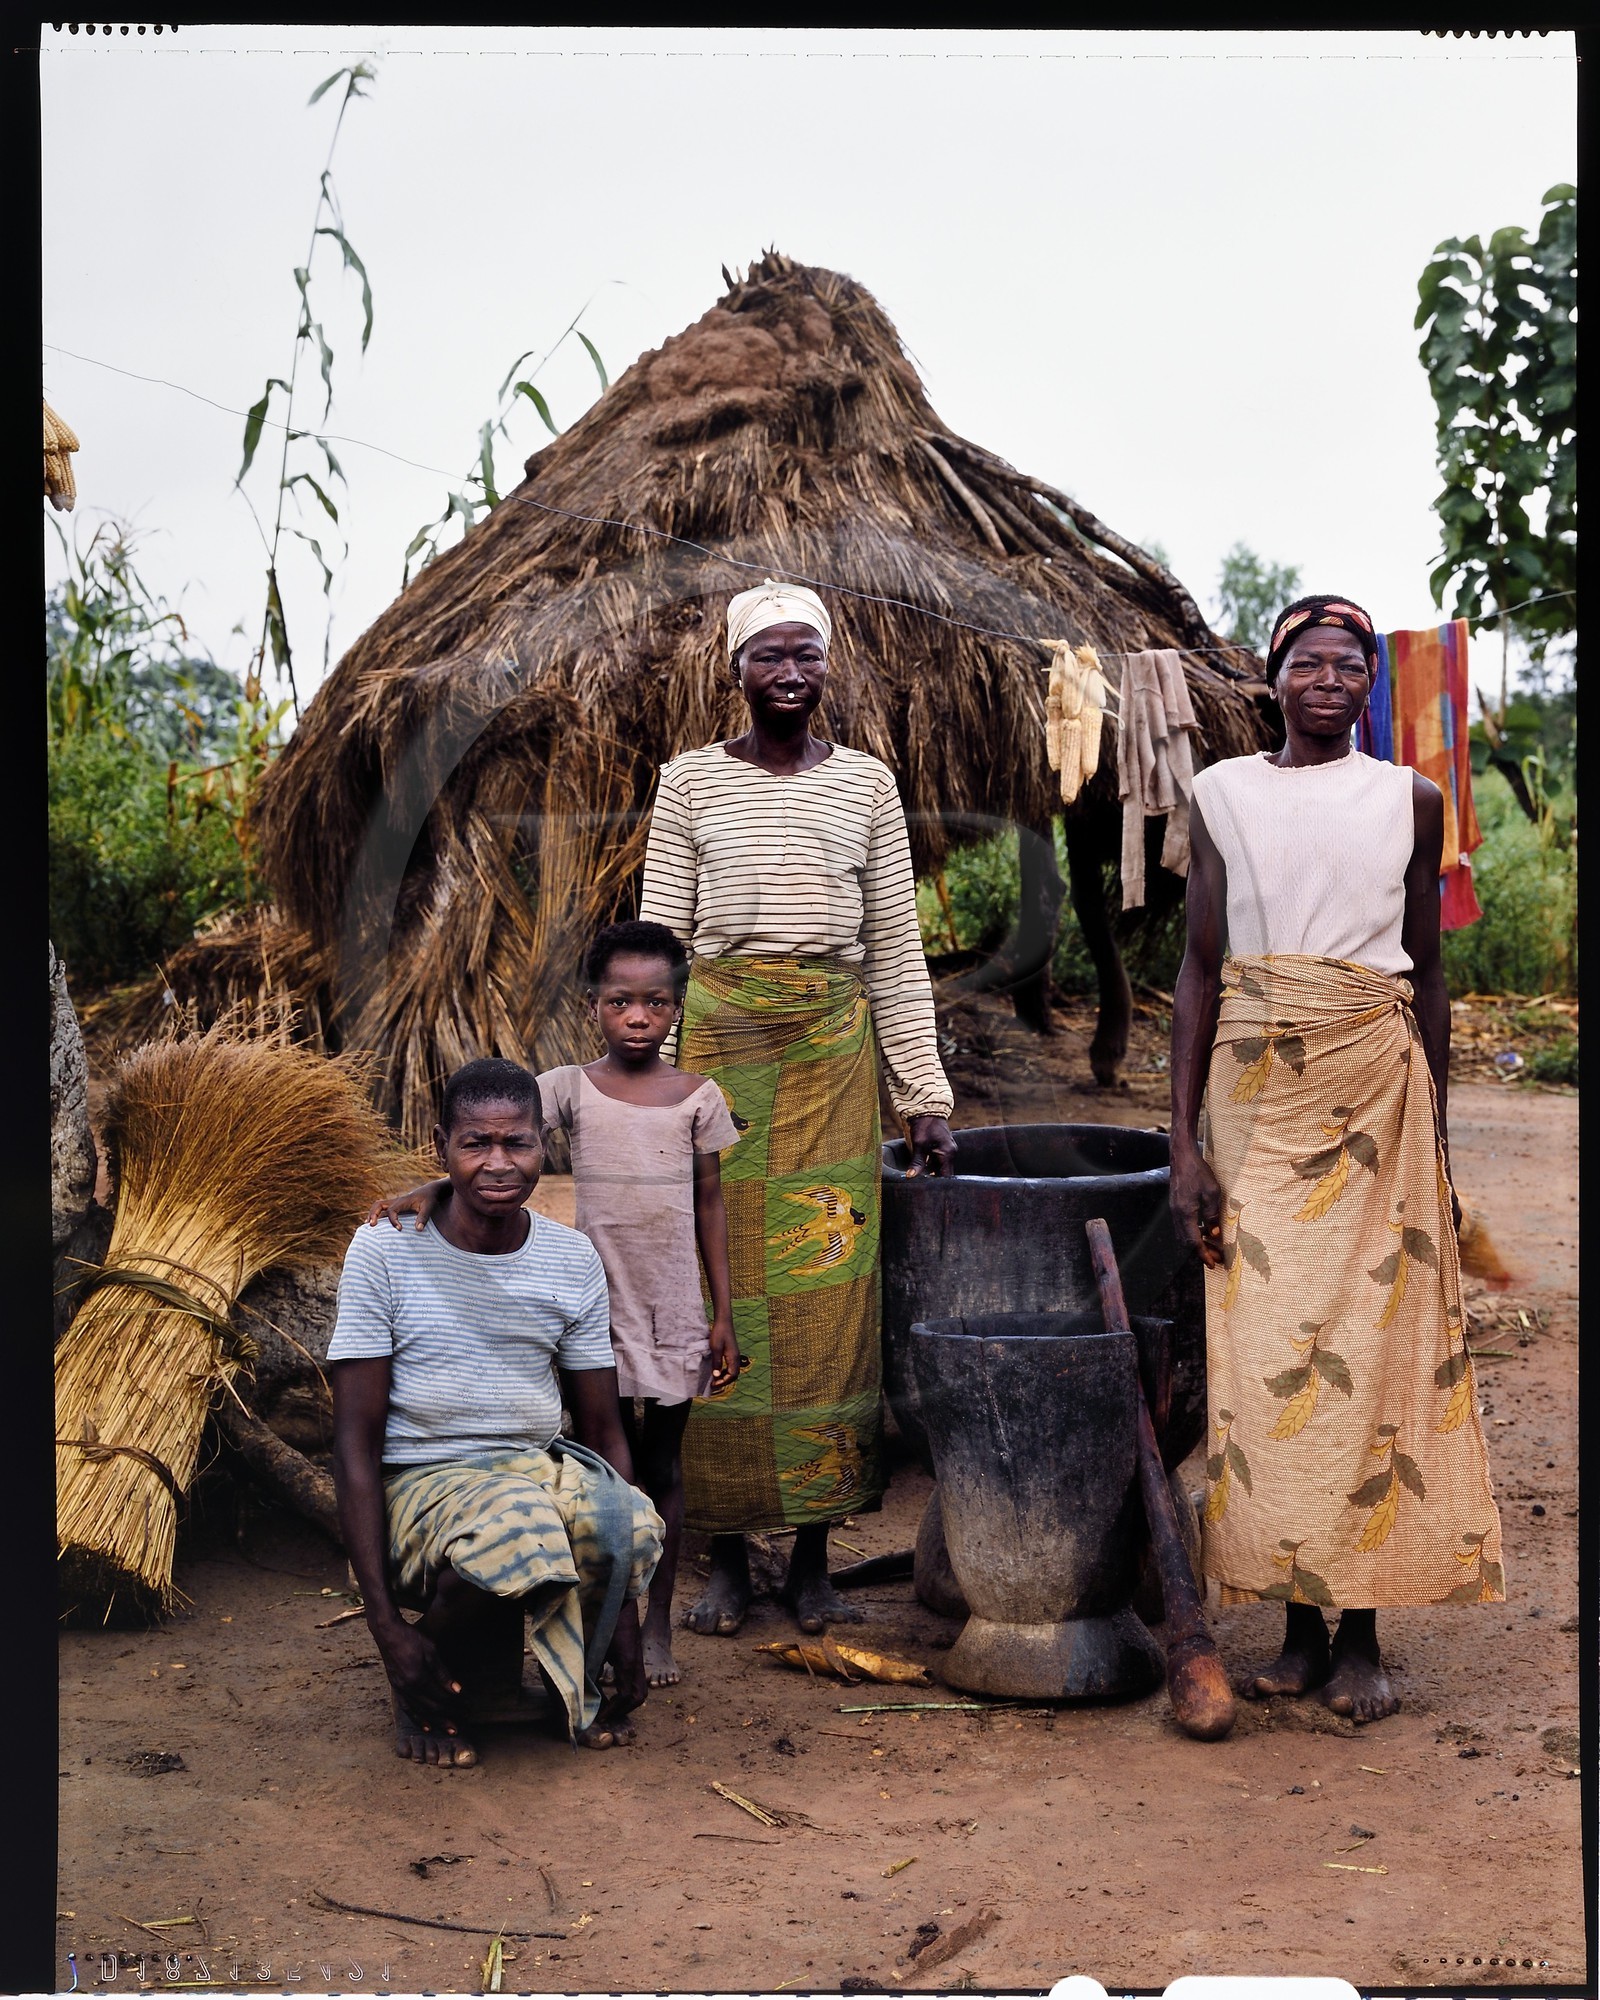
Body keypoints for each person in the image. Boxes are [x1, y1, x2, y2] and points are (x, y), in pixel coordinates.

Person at [1168, 594, 1504, 1725]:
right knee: (1265, 1355)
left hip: (1375, 1082)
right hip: (1253, 1090)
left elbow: (1427, 967)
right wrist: (1182, 1144)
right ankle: (1295, 1630)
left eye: (1347, 665)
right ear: (1271, 679)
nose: (1326, 679)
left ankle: (1362, 1634)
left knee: (1372, 1346)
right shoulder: (1220, 793)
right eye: (1305, 662)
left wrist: (1440, 1131)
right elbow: (1200, 968)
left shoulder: (1409, 797)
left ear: (1369, 684)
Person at [638, 578, 958, 1639]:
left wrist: (923, 1095)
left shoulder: (866, 786)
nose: (788, 673)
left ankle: (815, 1554)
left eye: (805, 656)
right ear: (733, 669)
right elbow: (658, 950)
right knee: (719, 1294)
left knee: (825, 1304)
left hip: (831, 1048)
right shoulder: (688, 785)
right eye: (767, 655)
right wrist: (652, 1085)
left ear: (828, 667)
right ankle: (728, 1558)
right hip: (722, 1044)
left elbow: (898, 954)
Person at [370, 921, 743, 1691]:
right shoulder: (568, 1087)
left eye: (655, 1003)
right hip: (587, 1300)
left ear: (678, 1007)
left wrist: (722, 1312)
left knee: (665, 1462)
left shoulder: (699, 1097)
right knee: (595, 1457)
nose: (637, 1018)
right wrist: (430, 1189)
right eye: (619, 1002)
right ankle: (583, 1623)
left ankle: (655, 1621)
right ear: (593, 1005)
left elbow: (711, 1202)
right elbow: (493, 1143)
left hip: (670, 1306)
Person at [329, 1057, 664, 1766]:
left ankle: (565, 1682)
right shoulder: (385, 1249)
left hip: (530, 1469)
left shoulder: (571, 1260)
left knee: (625, 1517)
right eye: (476, 1143)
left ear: (546, 1144)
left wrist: (623, 1615)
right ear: (441, 1146)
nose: (498, 1164)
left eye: (518, 1143)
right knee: (522, 1526)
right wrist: (385, 1628)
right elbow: (354, 1444)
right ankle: (419, 1674)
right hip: (422, 1482)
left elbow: (603, 1430)